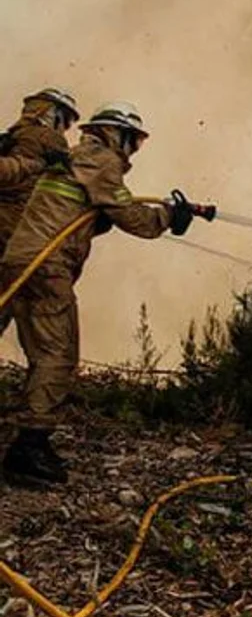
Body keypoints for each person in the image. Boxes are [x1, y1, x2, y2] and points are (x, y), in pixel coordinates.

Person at [1, 102, 200, 486]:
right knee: (57, 355)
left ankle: (29, 436)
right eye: (133, 141)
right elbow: (135, 219)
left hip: (20, 261)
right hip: (46, 267)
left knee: (39, 352)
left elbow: (75, 211)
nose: (133, 150)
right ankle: (28, 448)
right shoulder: (101, 160)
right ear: (116, 133)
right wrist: (170, 217)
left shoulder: (77, 158)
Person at [0, 88, 79, 335]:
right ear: (53, 114)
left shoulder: (13, 137)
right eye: (66, 120)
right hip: (16, 232)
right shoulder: (50, 139)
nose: (65, 128)